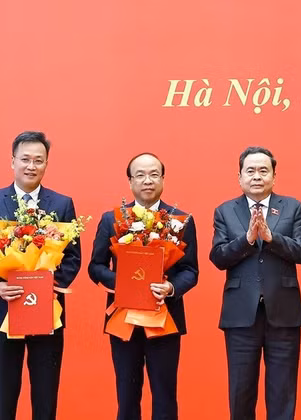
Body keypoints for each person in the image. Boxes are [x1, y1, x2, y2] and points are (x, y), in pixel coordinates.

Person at [0, 131, 81, 420]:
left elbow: (73, 257)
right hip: (3, 311)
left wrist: (50, 285)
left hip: (47, 312)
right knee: (1, 394)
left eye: (38, 160)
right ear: (12, 161)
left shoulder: (62, 204)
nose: (31, 166)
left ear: (46, 164)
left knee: (45, 395)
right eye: (25, 159)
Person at [88, 152, 198, 420]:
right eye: (140, 175)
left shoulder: (180, 220)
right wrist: (123, 283)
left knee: (164, 395)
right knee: (126, 395)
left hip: (165, 319)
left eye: (154, 174)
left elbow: (190, 270)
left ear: (162, 179)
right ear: (130, 181)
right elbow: (95, 267)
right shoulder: (111, 219)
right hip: (123, 321)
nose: (147, 180)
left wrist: (170, 288)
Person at [209, 146, 301, 420]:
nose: (257, 176)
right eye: (250, 171)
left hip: (284, 314)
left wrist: (272, 238)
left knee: (282, 394)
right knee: (241, 395)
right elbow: (218, 257)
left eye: (263, 171)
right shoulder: (225, 211)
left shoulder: (292, 207)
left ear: (274, 177)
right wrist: (247, 240)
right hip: (241, 316)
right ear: (240, 177)